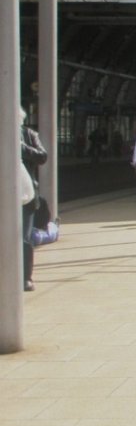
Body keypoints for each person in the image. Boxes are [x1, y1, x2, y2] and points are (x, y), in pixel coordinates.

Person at [20, 107, 47, 291]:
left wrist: (22, 148)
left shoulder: (29, 134)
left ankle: (26, 277)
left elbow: (42, 156)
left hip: (25, 194)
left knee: (24, 237)